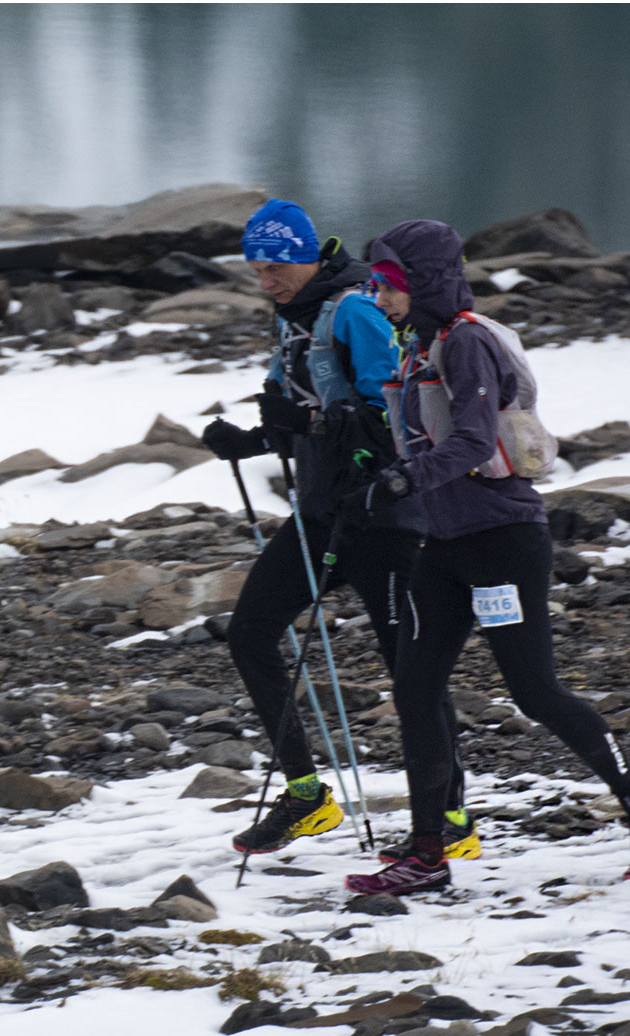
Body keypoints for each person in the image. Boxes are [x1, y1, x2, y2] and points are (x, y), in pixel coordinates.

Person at [341, 219, 630, 896]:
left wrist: (408, 480)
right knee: (414, 690)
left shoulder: (465, 342)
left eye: (389, 286)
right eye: (376, 286)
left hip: (502, 543)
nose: (380, 300)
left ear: (426, 281)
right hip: (443, 548)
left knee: (533, 692)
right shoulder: (421, 347)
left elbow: (469, 441)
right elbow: (418, 438)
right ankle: (428, 853)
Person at [201, 199, 476, 858]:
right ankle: (306, 795)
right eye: (256, 270)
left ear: (305, 256)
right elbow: (295, 410)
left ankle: (453, 819)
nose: (265, 280)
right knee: (250, 635)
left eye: (274, 267)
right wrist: (247, 439)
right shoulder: (294, 321)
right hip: (322, 517)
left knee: (410, 672)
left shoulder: (354, 309)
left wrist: (313, 426)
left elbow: (395, 414)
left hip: (384, 520)